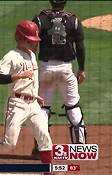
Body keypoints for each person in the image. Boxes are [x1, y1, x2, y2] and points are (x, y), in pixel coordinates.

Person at [0, 20, 53, 175]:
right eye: (30, 41)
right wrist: (20, 75)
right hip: (16, 104)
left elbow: (31, 81)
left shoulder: (31, 55)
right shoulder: (11, 56)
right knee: (9, 144)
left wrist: (35, 95)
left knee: (45, 137)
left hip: (33, 105)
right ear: (21, 39)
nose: (33, 44)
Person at [30, 0, 87, 157]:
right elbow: (80, 47)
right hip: (66, 70)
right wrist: (81, 69)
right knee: (72, 106)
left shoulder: (40, 19)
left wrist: (31, 68)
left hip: (45, 69)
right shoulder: (73, 20)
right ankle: (80, 148)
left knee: (42, 108)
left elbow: (31, 46)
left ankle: (42, 148)